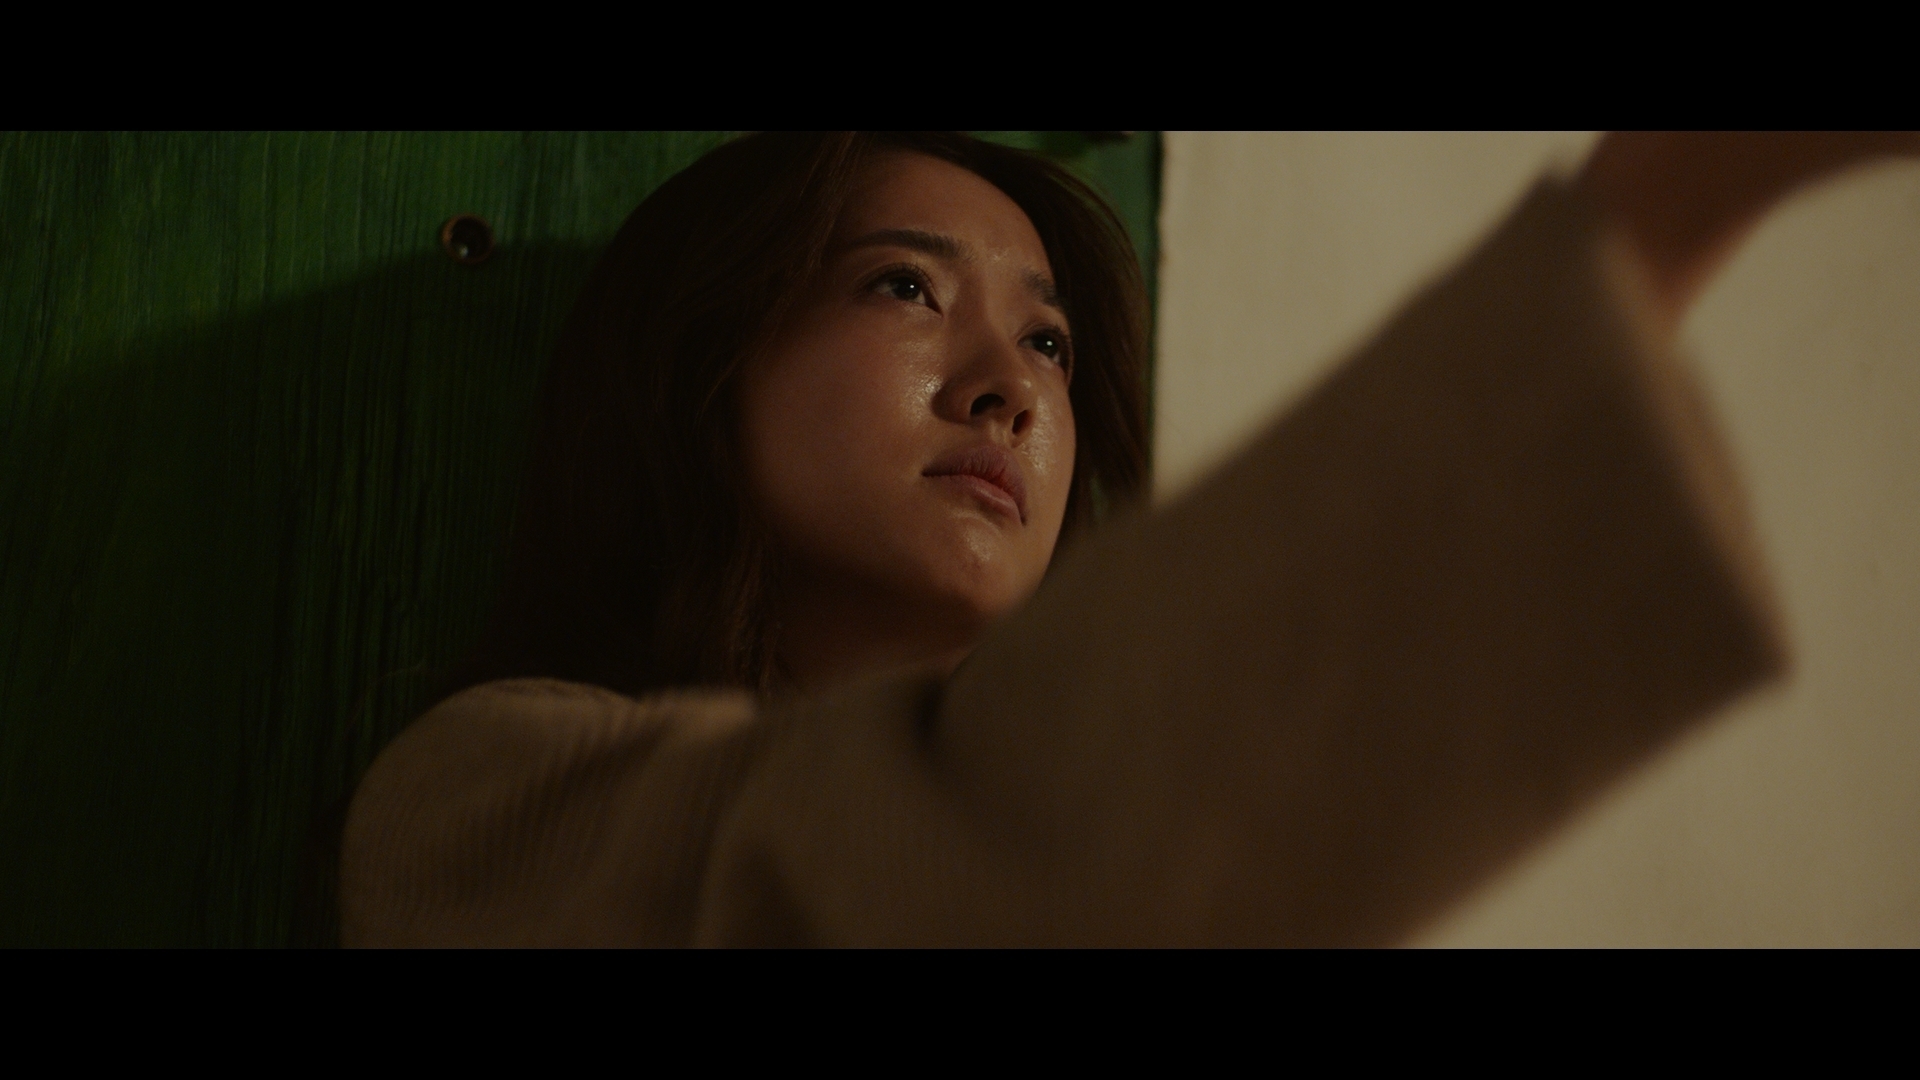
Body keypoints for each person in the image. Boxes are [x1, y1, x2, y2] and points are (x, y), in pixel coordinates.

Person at [341, 131, 1916, 946]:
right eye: (902, 286)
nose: (1009, 388)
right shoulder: (474, 815)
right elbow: (943, 871)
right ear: (702, 368)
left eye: (1050, 344)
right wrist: (1662, 206)